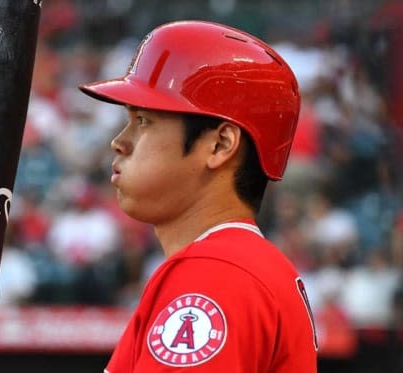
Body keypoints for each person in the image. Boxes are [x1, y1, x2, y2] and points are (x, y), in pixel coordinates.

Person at [79, 20, 318, 372]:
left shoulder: (214, 273)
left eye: (143, 120)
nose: (119, 141)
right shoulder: (246, 265)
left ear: (220, 145)